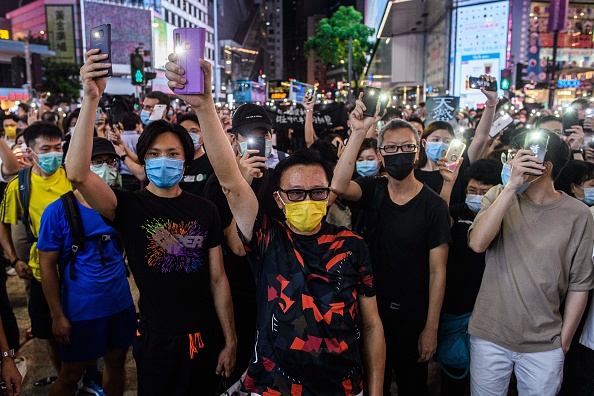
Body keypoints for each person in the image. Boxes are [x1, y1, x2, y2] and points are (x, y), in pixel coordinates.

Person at [166, 54, 385, 395]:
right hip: (274, 386)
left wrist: (374, 391)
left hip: (344, 386)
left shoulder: (352, 245)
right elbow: (230, 183)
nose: (307, 200)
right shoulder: (268, 237)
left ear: (329, 195)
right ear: (280, 199)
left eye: (316, 192)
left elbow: (371, 326)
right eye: (296, 193)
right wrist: (204, 105)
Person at [67, 49, 236, 395]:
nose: (164, 161)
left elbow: (218, 279)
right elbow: (78, 174)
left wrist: (230, 339)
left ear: (186, 162)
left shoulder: (205, 210)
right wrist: (91, 98)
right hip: (156, 338)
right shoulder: (128, 207)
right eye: (154, 155)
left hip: (205, 336)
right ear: (142, 161)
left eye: (173, 154)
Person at [331, 98, 451, 396]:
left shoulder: (433, 205)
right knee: (374, 384)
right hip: (370, 312)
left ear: (418, 150)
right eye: (392, 148)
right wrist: (359, 132)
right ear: (382, 155)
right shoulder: (373, 190)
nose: (401, 154)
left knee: (412, 385)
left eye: (407, 147)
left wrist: (431, 328)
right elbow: (339, 185)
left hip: (413, 316)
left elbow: (438, 271)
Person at [467, 130, 594, 396]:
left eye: (520, 157)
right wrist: (511, 187)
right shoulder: (498, 196)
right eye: (512, 157)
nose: (511, 163)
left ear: (545, 166)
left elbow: (580, 283)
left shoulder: (578, 214)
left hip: (545, 343)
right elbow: (478, 243)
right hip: (489, 334)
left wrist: (564, 340)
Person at [38, 137, 136, 396]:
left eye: (109, 161)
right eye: (96, 162)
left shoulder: (122, 204)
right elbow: (46, 267)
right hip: (81, 310)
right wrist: (57, 315)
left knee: (116, 364)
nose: (104, 167)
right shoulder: (57, 211)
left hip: (119, 303)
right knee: (71, 373)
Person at [0, 122, 72, 384]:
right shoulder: (19, 186)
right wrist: (14, 258)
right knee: (53, 332)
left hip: (78, 270)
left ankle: (84, 374)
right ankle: (65, 378)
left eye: (57, 148)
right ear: (30, 153)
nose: (53, 154)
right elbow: (4, 224)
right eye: (45, 149)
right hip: (42, 273)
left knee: (83, 327)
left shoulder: (73, 176)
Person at [439, 159, 502, 395]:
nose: (476, 196)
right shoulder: (458, 211)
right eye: (472, 191)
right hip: (456, 308)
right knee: (453, 374)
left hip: (490, 312)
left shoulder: (506, 216)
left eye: (484, 192)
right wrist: (448, 184)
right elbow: (440, 223)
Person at [415, 75, 497, 204]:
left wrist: (491, 102)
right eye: (436, 140)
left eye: (447, 141)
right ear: (424, 143)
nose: (441, 144)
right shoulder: (413, 175)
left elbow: (480, 137)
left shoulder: (460, 166)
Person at [177, 113, 214, 197]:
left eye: (194, 131)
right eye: (184, 131)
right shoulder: (172, 163)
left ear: (203, 133)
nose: (189, 135)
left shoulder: (211, 163)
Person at [118, 113, 143, 191]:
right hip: (139, 175)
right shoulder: (141, 138)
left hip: (124, 175)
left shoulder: (119, 138)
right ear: (137, 125)